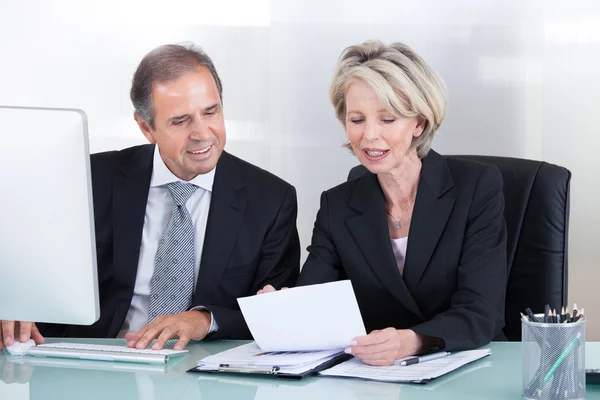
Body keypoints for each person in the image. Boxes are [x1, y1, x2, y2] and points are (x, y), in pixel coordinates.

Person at [0, 43, 300, 351]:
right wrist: (16, 300)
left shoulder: (271, 200)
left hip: (203, 369)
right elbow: (30, 262)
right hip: (100, 358)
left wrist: (204, 320)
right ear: (146, 128)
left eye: (210, 112)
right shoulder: (90, 178)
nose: (202, 133)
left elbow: (277, 312)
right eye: (180, 120)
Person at [260, 40, 508, 366]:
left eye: (387, 119)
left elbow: (482, 312)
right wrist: (283, 307)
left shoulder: (476, 188)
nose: (369, 135)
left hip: (469, 367)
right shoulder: (338, 205)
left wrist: (411, 340)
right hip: (376, 377)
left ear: (419, 123)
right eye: (357, 119)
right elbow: (314, 297)